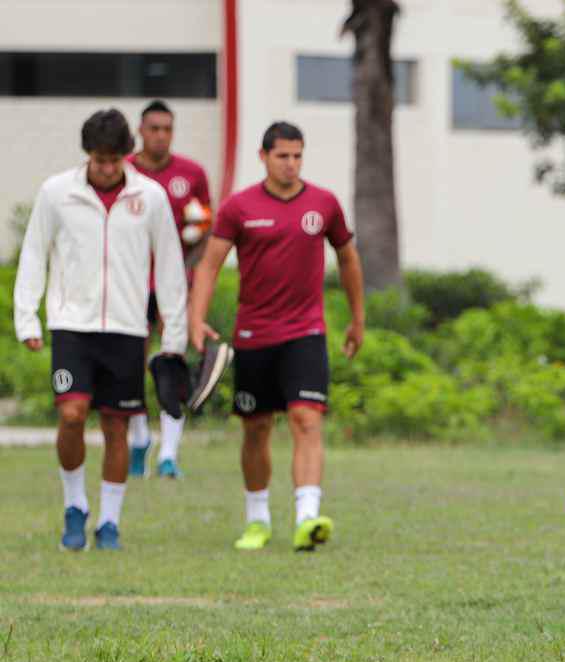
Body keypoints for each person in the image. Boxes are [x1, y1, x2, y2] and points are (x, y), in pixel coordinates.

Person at [14, 109, 188, 551]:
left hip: (127, 329)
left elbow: (170, 266)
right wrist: (27, 317)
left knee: (117, 426)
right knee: (71, 415)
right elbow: (34, 253)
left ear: (126, 155)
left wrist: (175, 335)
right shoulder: (57, 192)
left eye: (114, 160)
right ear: (87, 154)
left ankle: (109, 522)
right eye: (99, 160)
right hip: (72, 326)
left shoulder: (151, 197)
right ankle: (75, 505)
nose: (107, 168)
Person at [190, 121, 365, 552]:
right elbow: (209, 265)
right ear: (263, 157)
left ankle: (307, 518)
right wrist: (196, 318)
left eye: (297, 156)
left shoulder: (324, 204)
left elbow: (348, 259)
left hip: (306, 332)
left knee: (307, 419)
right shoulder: (238, 207)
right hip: (254, 335)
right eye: (282, 156)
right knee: (257, 428)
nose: (291, 164)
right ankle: (257, 519)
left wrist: (357, 318)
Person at [126, 99, 215, 479]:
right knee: (129, 361)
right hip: (129, 284)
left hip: (174, 285)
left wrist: (184, 268)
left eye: (167, 129)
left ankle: (169, 454)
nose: (161, 136)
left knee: (172, 360)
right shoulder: (123, 171)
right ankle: (139, 439)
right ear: (140, 131)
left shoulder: (191, 174)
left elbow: (207, 228)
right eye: (154, 128)